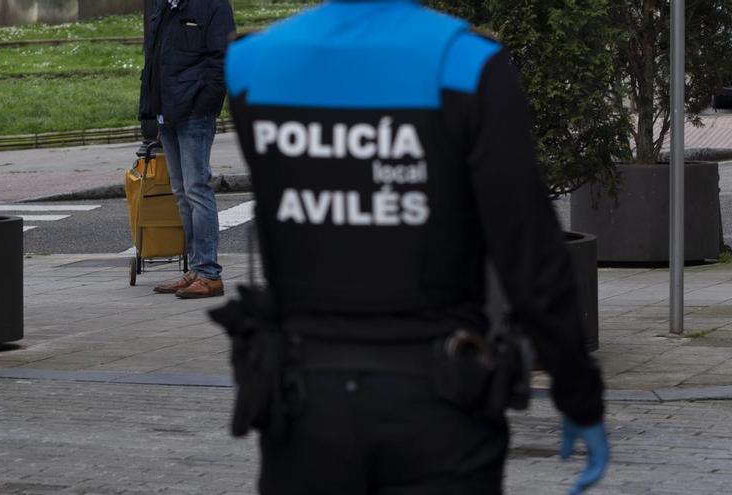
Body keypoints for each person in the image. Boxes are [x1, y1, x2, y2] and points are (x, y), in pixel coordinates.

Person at [217, 1, 610, 493]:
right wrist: (579, 393)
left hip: (304, 405)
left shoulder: (253, 62)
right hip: (440, 405)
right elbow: (528, 250)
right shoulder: (466, 62)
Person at [138, 0, 235, 299]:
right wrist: (151, 108)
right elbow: (154, 59)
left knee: (197, 189)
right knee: (181, 193)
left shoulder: (212, 6)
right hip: (167, 110)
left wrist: (204, 104)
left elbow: (222, 61)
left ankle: (209, 274)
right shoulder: (165, 6)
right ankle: (195, 268)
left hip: (194, 111)